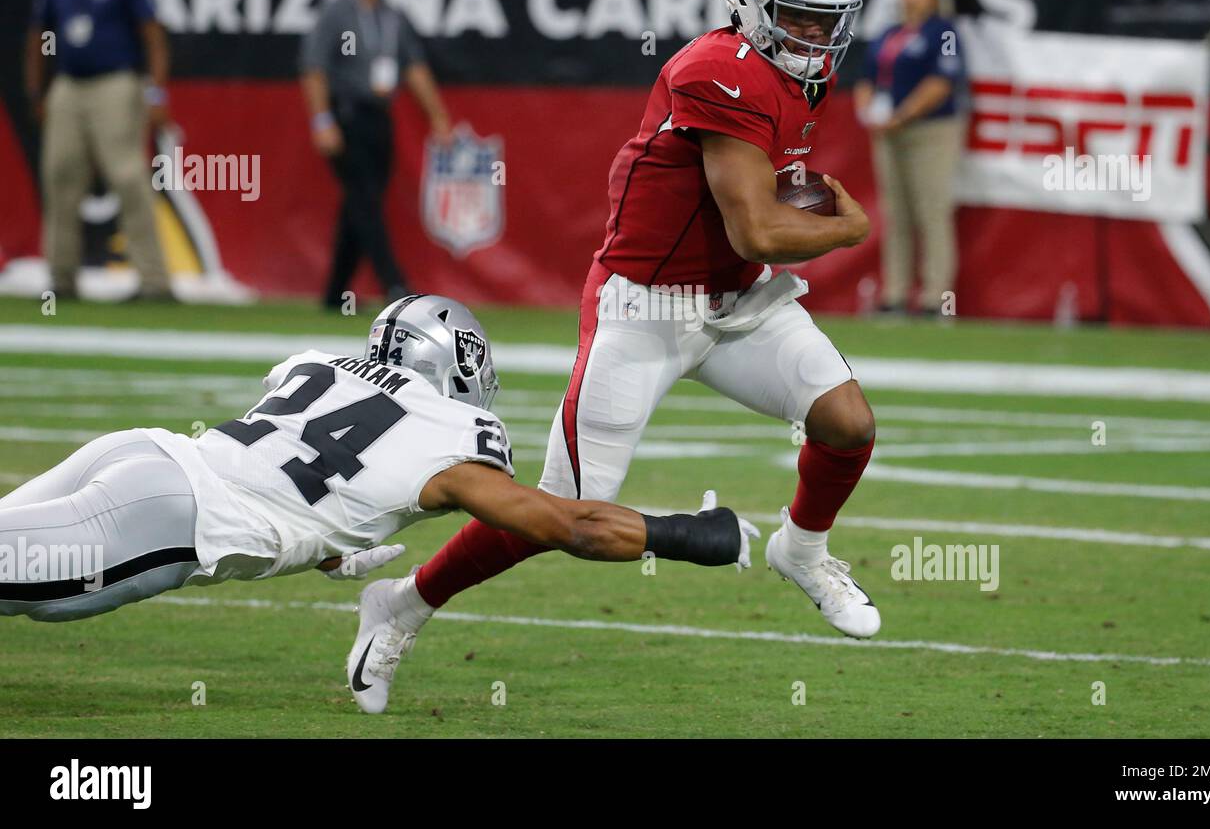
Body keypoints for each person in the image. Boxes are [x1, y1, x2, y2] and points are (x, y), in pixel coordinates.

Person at [393, 0, 882, 653]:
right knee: (561, 514)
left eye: (827, 21)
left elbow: (752, 225)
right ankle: (404, 603)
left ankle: (803, 552)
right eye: (799, 18)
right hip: (644, 309)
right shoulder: (719, 71)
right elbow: (758, 228)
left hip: (736, 301)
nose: (815, 39)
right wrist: (849, 227)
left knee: (847, 423)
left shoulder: (798, 73)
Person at [0, 295, 758, 715]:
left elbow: (292, 455)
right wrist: (687, 533)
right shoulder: (458, 436)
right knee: (29, 594)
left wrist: (330, 538)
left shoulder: (317, 362)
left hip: (142, 454)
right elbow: (572, 525)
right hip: (172, 518)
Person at [24, 0, 174, 302]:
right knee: (60, 178)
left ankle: (154, 281)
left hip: (116, 82)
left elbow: (152, 34)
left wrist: (155, 90)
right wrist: (38, 91)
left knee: (127, 177)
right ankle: (61, 279)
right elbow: (39, 36)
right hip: (69, 85)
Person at [301, 0, 453, 310]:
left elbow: (413, 67)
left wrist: (437, 115)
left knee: (359, 202)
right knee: (364, 200)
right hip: (346, 114)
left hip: (379, 118)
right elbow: (313, 67)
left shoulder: (392, 15)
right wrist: (322, 120)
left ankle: (335, 292)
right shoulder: (337, 11)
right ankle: (395, 285)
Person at [854, 0, 964, 316]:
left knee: (931, 211)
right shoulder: (889, 32)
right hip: (888, 133)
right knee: (895, 214)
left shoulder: (943, 32)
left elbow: (942, 82)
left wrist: (901, 115)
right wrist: (868, 111)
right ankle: (895, 293)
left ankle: (936, 296)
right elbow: (867, 79)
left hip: (930, 130)